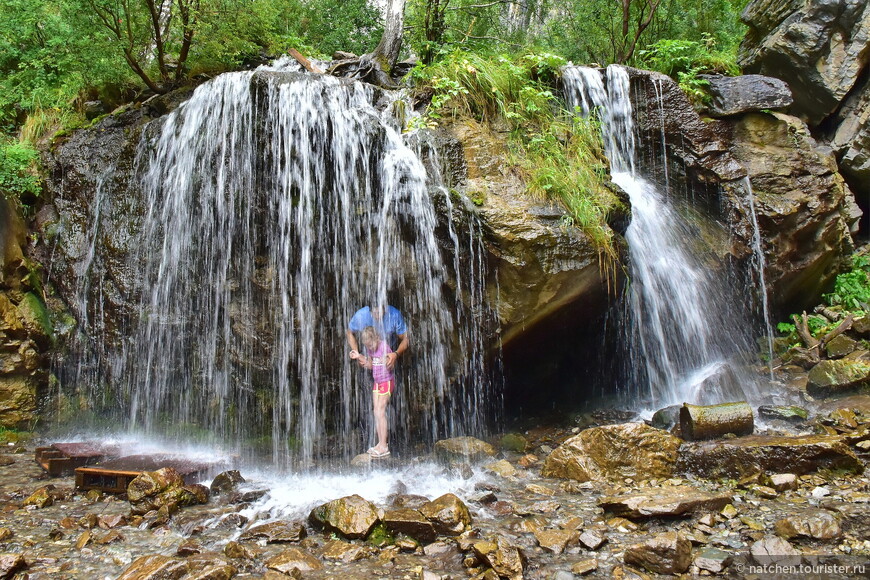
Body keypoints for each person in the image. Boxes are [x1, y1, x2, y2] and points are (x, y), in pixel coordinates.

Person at [346, 300, 409, 457]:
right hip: (377, 382)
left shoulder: (384, 347)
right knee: (377, 411)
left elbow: (403, 342)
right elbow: (372, 364)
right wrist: (358, 354)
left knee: (380, 411)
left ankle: (383, 445)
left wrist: (393, 355)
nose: (378, 315)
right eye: (375, 312)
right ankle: (380, 443)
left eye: (371, 345)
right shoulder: (362, 319)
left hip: (386, 382)